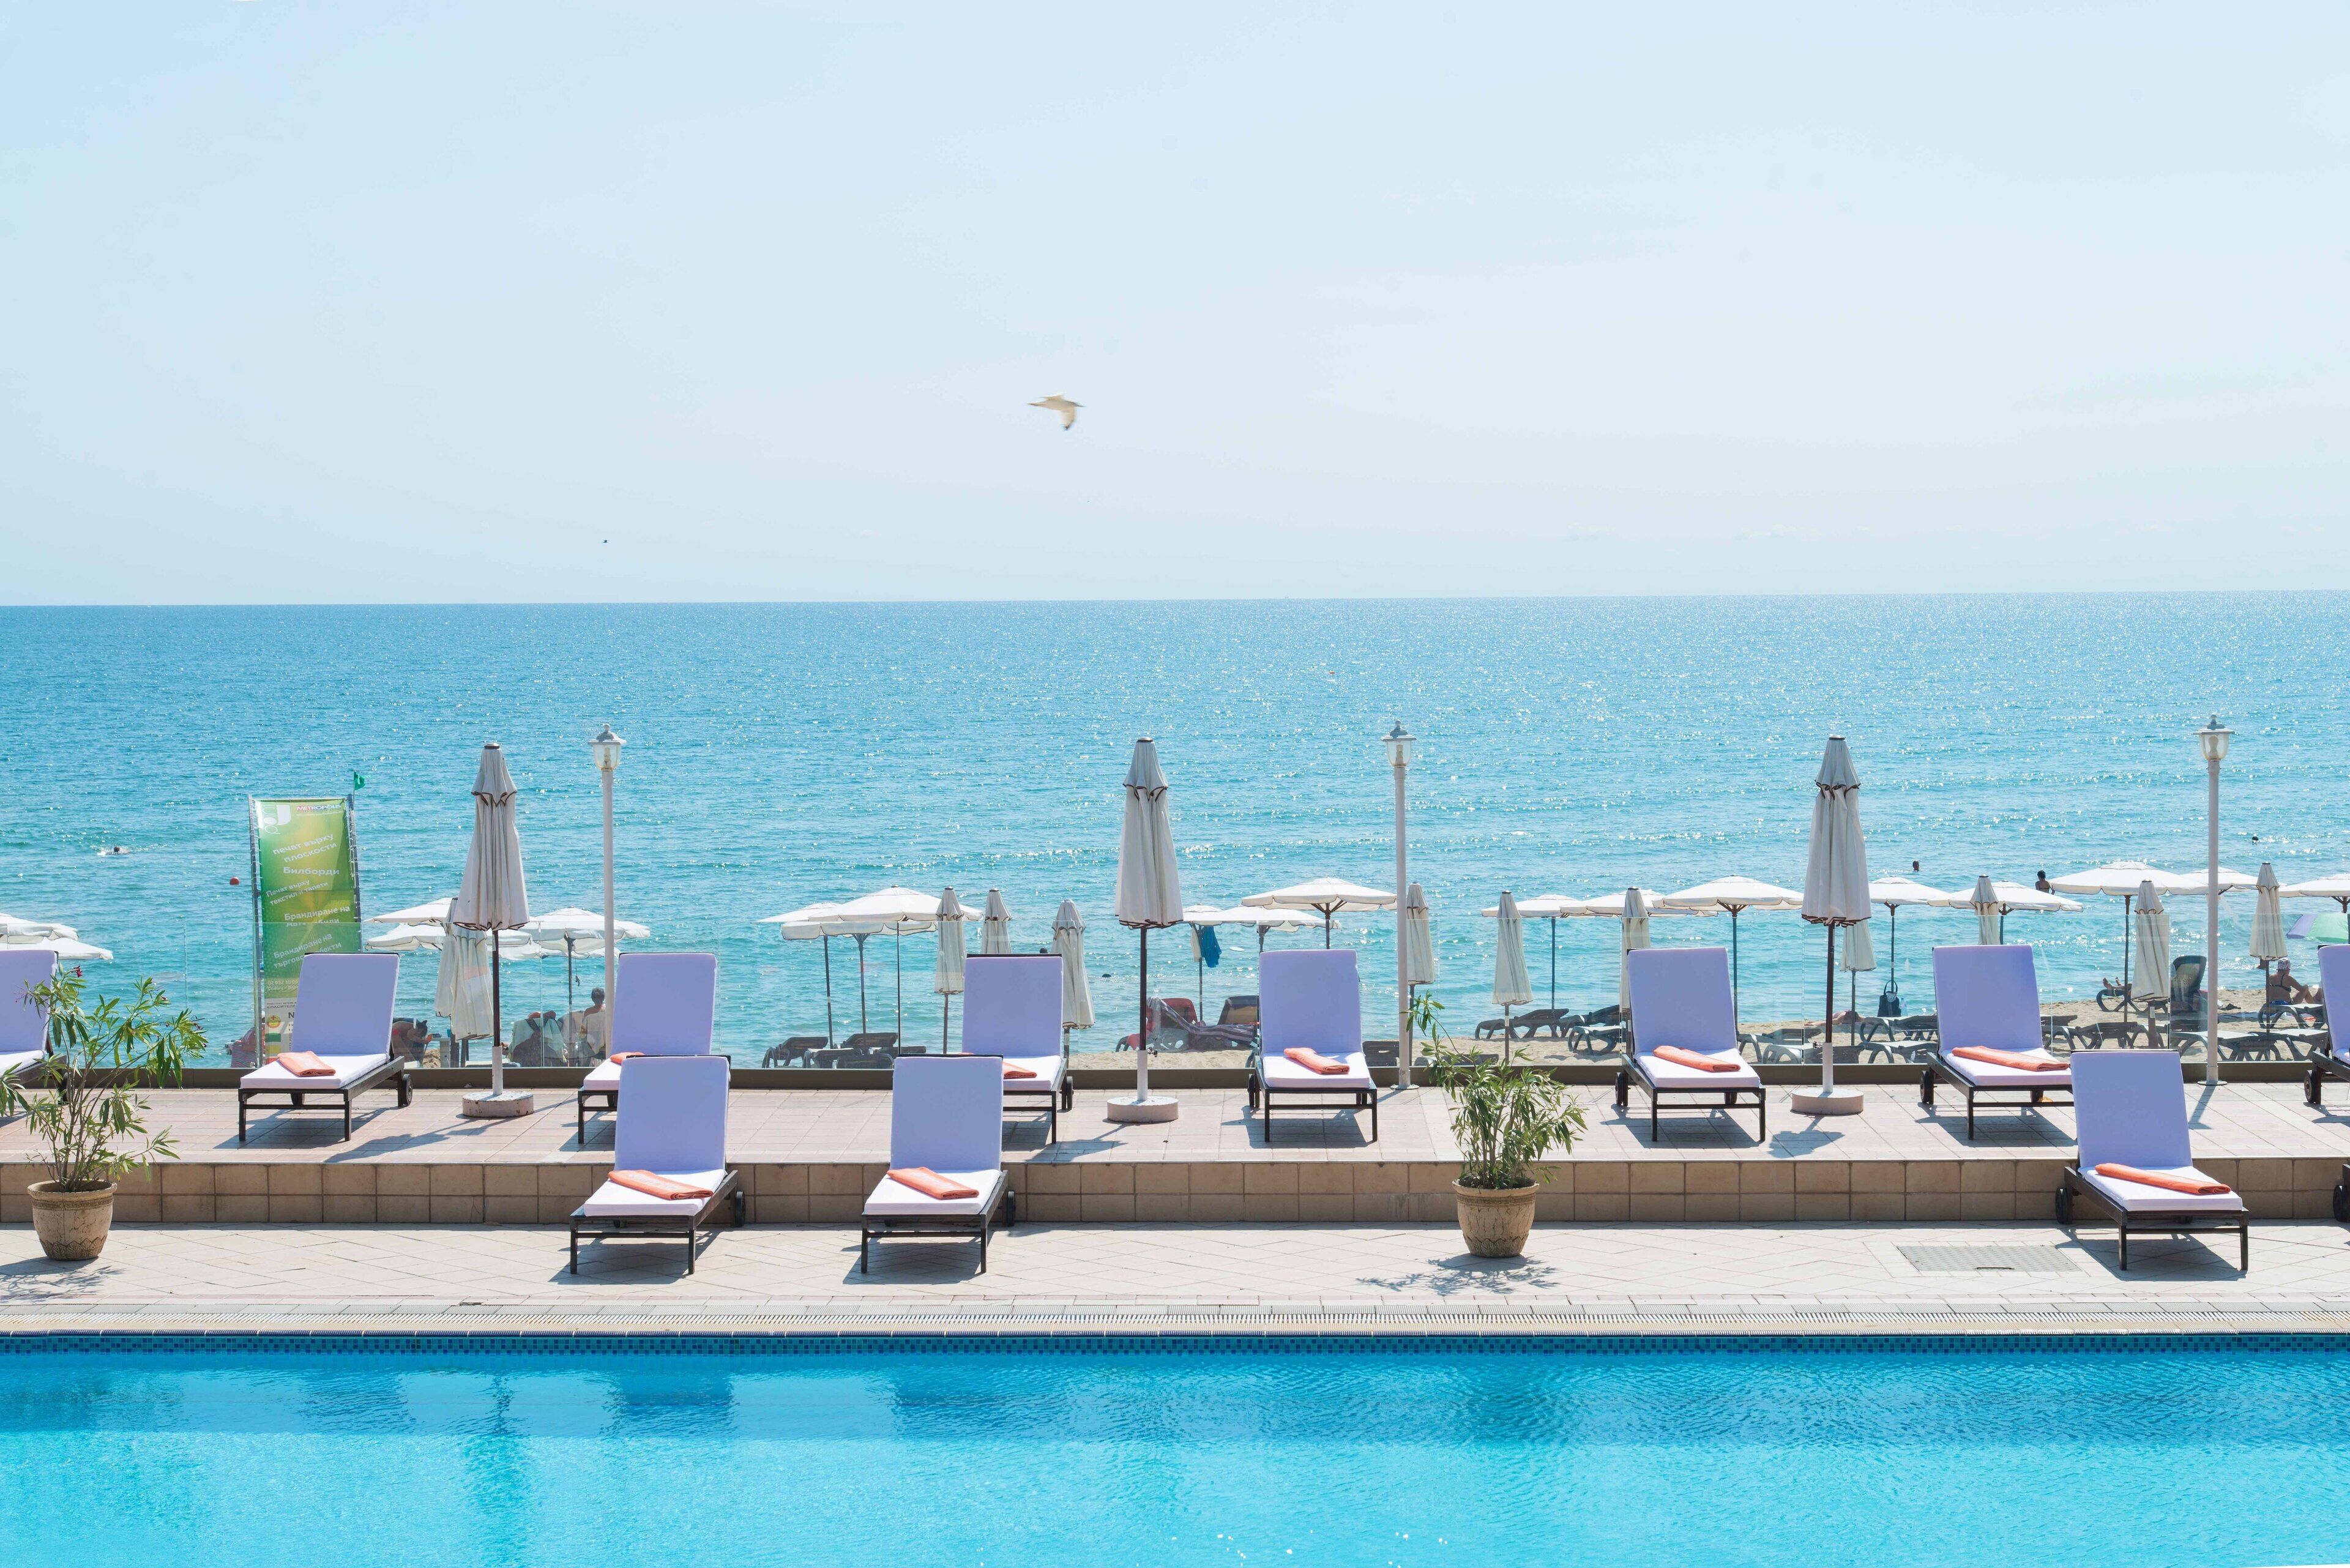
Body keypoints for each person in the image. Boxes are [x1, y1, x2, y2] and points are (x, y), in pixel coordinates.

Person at [578, 987, 610, 1055]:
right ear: (604, 998)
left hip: (593, 1046)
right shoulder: (609, 1010)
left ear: (592, 999)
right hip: (608, 1044)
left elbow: (583, 1033)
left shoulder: (588, 1012)